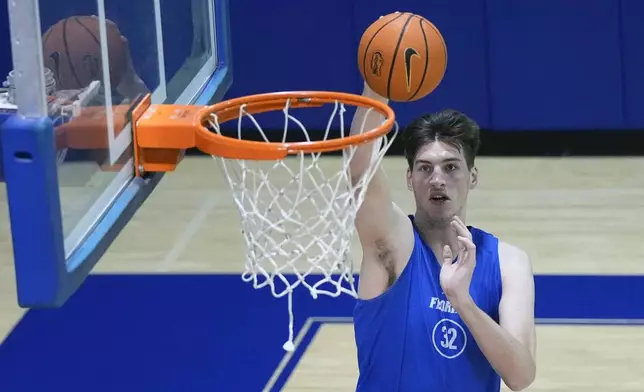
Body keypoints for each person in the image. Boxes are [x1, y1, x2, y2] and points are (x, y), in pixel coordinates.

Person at [350, 83, 537, 392]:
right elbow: (359, 171)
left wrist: (462, 301)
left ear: (472, 176)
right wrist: (377, 83)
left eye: (451, 167)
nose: (438, 180)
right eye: (425, 168)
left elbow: (521, 376)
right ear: (409, 179)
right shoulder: (392, 244)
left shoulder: (509, 263)